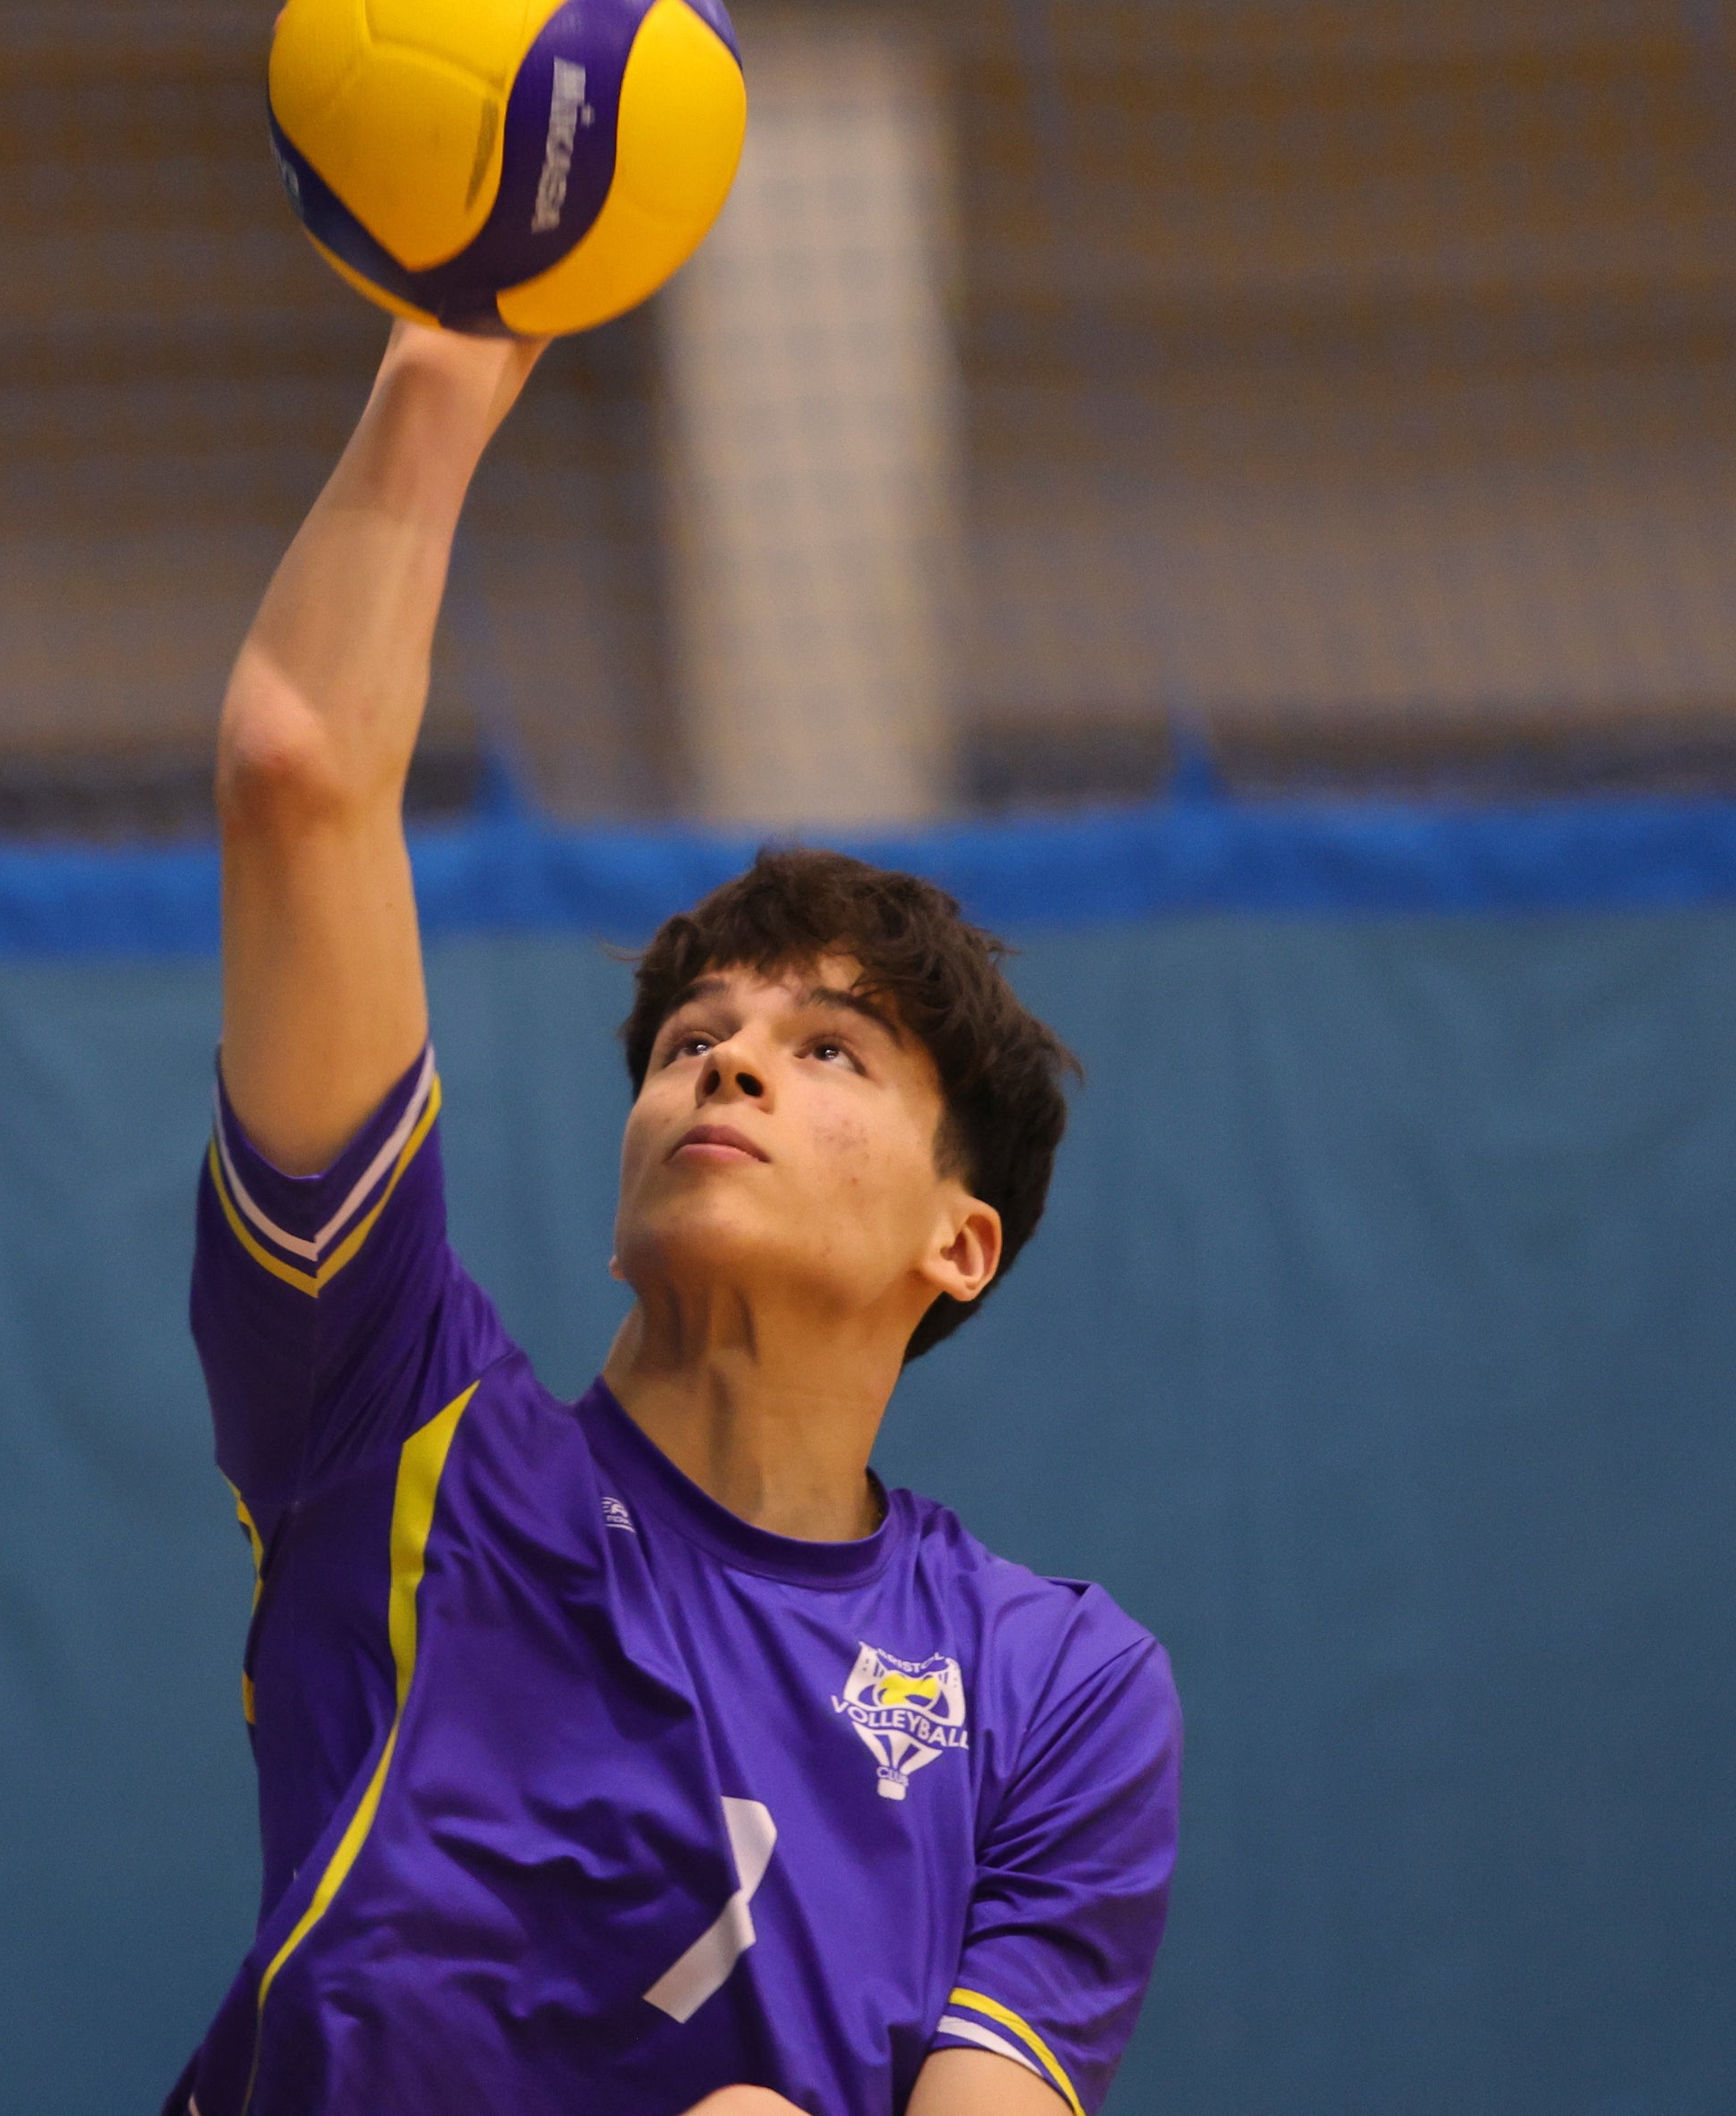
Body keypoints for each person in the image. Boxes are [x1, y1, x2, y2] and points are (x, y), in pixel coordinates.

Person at [163, 321, 1179, 2116]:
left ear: (964, 1238)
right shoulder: (390, 1432)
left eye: (830, 1048)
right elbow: (294, 767)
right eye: (694, 1039)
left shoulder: (1050, 1681)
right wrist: (450, 356)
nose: (731, 1070)